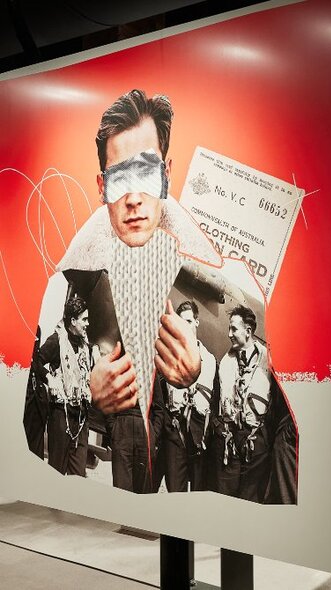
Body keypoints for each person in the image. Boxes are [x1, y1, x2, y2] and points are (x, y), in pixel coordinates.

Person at [25, 89, 298, 501]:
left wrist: (195, 375)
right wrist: (88, 388)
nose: (133, 197)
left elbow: (276, 380)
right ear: (101, 186)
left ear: (167, 173)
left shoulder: (222, 271)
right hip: (119, 441)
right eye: (119, 178)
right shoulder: (67, 276)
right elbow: (32, 386)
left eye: (146, 173)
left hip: (187, 444)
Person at [213, 305, 292, 502]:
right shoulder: (225, 362)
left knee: (251, 500)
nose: (229, 334)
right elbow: (216, 401)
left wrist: (265, 438)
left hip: (257, 442)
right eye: (229, 329)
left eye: (234, 329)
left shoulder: (269, 361)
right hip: (229, 441)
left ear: (248, 331)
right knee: (225, 498)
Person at [162, 300, 217, 492]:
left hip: (199, 435)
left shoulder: (210, 360)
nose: (185, 327)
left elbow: (215, 401)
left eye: (188, 321)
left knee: (197, 494)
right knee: (174, 492)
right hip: (175, 435)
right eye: (181, 323)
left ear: (197, 322)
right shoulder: (168, 358)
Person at [40, 294, 97, 476]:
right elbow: (35, 360)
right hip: (60, 415)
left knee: (78, 476)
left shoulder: (87, 346)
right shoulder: (56, 341)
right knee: (56, 471)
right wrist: (49, 377)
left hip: (81, 418)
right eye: (84, 319)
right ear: (73, 321)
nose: (88, 324)